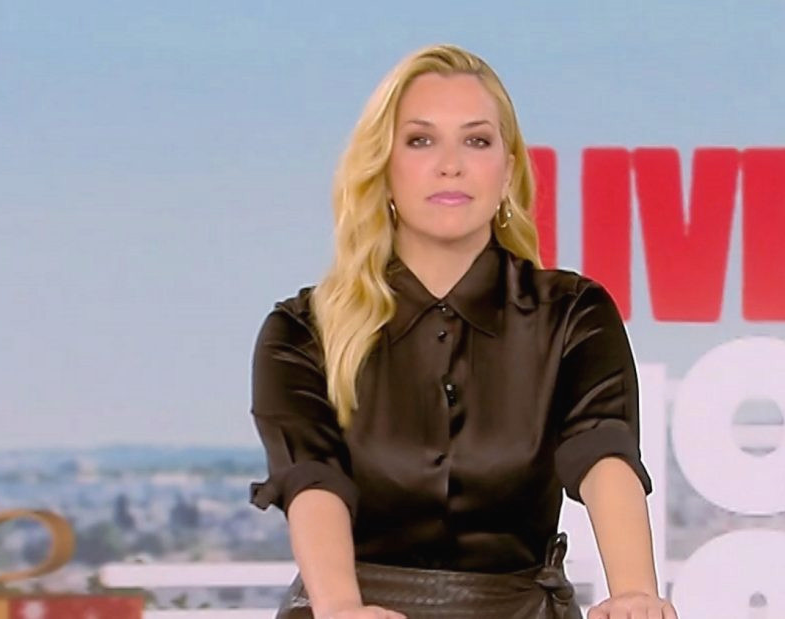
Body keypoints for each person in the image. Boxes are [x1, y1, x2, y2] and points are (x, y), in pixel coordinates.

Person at [249, 43, 677, 619]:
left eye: (476, 141)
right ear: (382, 167)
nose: (450, 164)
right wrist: (342, 607)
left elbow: (602, 450)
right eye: (420, 140)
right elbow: (312, 480)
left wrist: (634, 593)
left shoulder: (573, 313)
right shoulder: (301, 331)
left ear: (508, 170)